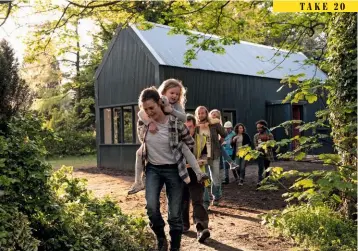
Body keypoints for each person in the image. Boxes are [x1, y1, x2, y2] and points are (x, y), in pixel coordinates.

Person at [136, 87, 194, 251]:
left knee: (175, 213)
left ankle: (175, 246)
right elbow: (142, 139)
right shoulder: (144, 122)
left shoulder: (175, 123)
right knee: (151, 208)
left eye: (151, 108)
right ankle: (161, 238)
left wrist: (182, 152)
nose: (149, 112)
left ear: (159, 104)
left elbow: (190, 142)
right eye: (145, 109)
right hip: (153, 169)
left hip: (174, 170)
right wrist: (149, 122)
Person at [128, 79, 208, 195]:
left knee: (185, 149)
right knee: (139, 153)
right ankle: (138, 181)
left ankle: (198, 173)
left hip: (173, 134)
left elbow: (184, 118)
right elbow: (141, 113)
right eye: (172, 93)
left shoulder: (176, 106)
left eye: (177, 94)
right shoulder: (156, 101)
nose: (174, 96)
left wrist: (171, 111)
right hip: (154, 137)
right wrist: (150, 122)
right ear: (164, 92)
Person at [182, 114, 210, 243]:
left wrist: (202, 160)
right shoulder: (176, 140)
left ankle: (201, 228)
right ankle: (184, 225)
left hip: (197, 174)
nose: (188, 130)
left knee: (197, 201)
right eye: (185, 127)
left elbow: (205, 154)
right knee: (183, 201)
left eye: (190, 127)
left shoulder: (201, 139)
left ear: (195, 127)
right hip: (181, 174)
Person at [195, 106, 227, 208]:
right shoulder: (196, 126)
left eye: (203, 113)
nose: (201, 115)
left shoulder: (214, 124)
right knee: (204, 179)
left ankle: (216, 197)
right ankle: (205, 202)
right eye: (199, 113)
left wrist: (220, 142)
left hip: (214, 154)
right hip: (202, 156)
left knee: (215, 178)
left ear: (206, 113)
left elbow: (224, 133)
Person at [253, 120, 274, 187]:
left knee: (267, 168)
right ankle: (259, 181)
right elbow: (255, 145)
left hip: (268, 154)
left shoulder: (269, 135)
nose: (258, 129)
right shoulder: (256, 136)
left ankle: (267, 180)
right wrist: (257, 147)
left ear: (264, 127)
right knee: (260, 168)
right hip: (260, 154)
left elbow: (272, 145)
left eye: (260, 128)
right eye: (257, 128)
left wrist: (267, 142)